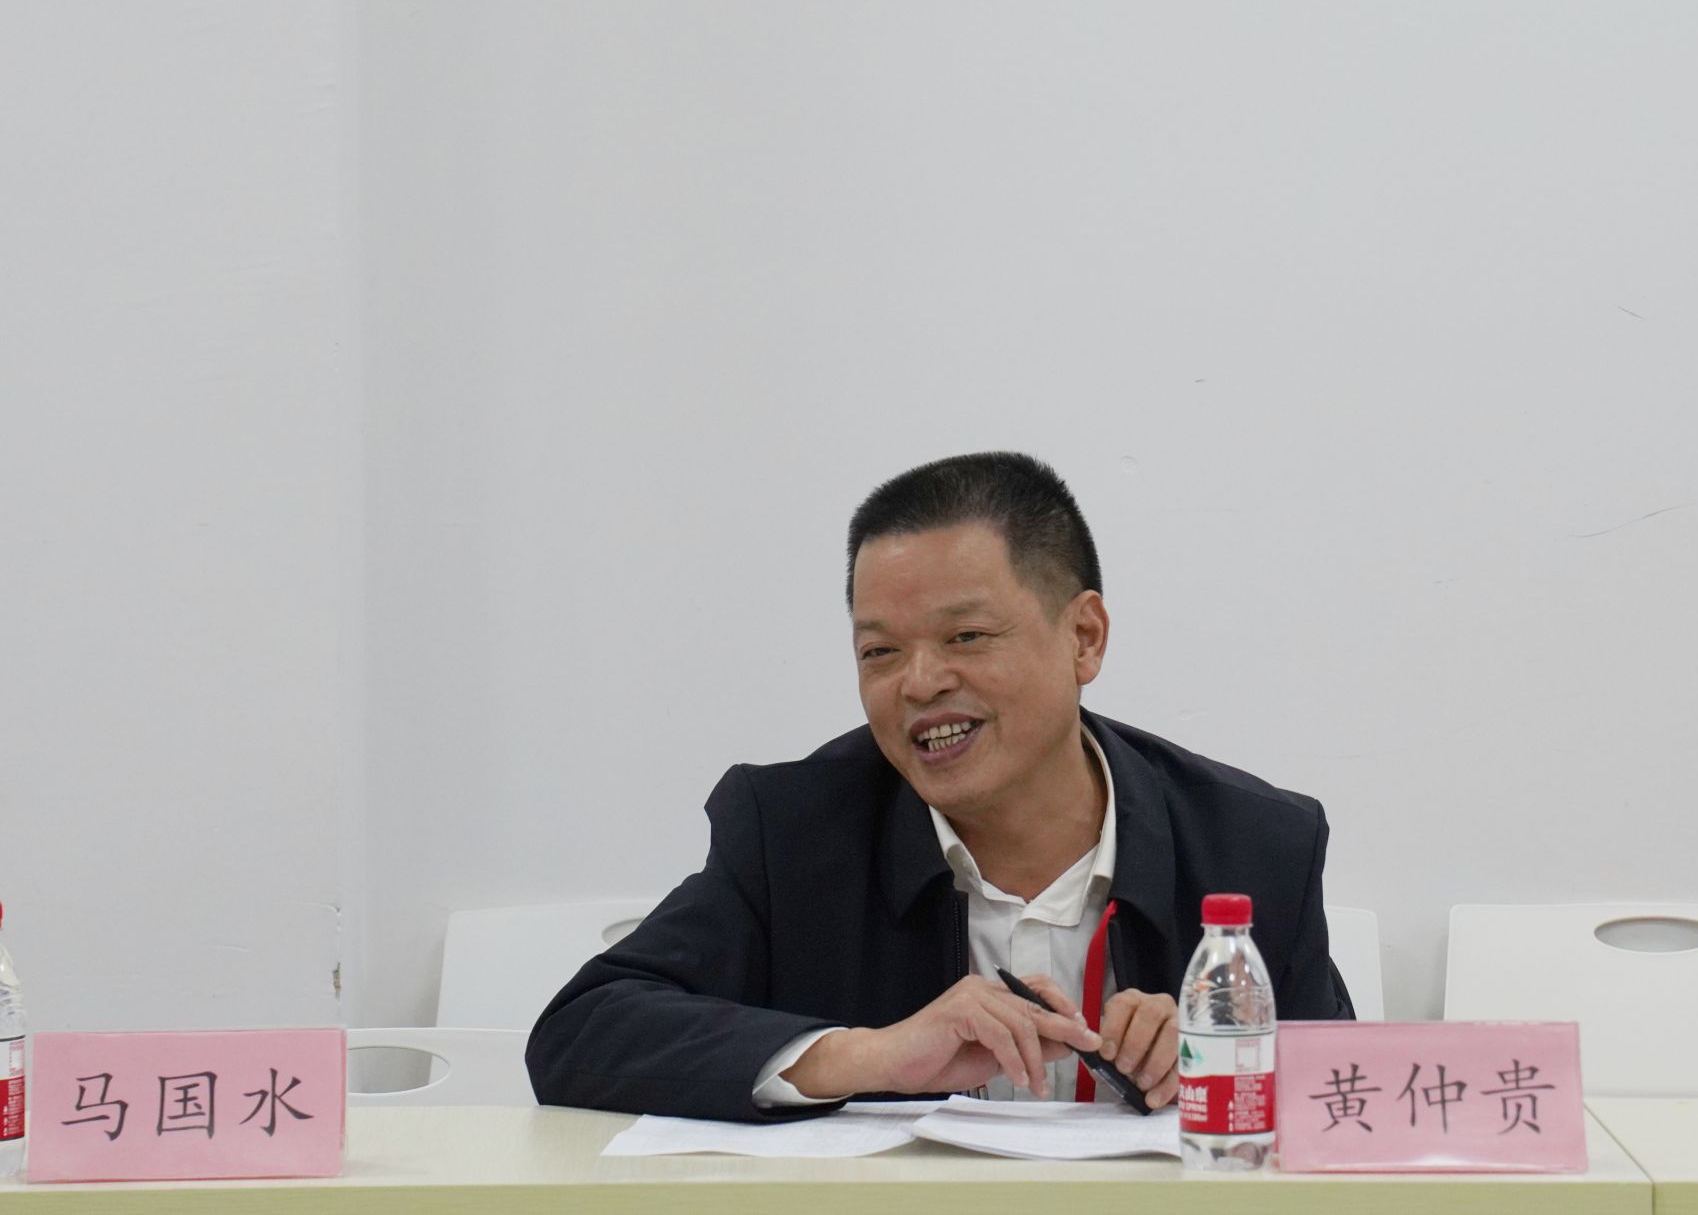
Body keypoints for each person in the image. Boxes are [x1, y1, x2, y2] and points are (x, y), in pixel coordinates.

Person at [527, 452, 1352, 1121]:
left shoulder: (1253, 845)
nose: (919, 683)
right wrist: (872, 1054)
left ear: (1084, 637)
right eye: (880, 652)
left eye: (966, 635)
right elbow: (583, 1030)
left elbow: (1346, 1097)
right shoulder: (793, 833)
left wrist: (1228, 1060)